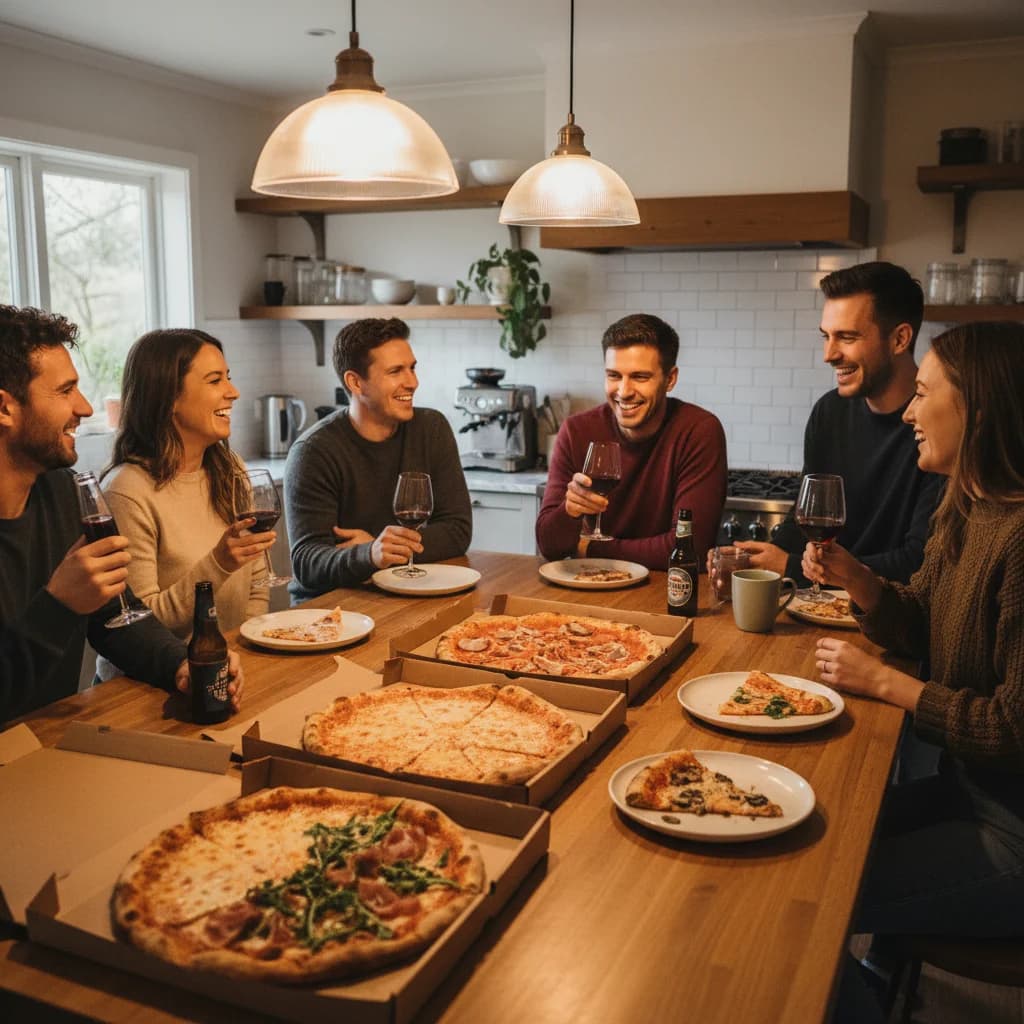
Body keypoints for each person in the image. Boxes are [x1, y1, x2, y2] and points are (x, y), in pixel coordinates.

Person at [806, 321, 1024, 949]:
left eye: (924, 394)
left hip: (1011, 829)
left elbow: (1012, 727)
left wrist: (883, 682)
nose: (908, 414)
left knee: (819, 895)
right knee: (796, 841)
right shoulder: (967, 507)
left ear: (978, 408)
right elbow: (922, 614)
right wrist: (863, 583)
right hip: (964, 793)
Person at [0, 305, 242, 724]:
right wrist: (58, 605)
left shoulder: (61, 491)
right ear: (5, 409)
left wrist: (179, 665)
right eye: (64, 391)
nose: (86, 407)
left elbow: (116, 615)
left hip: (50, 740)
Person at [734, 262, 944, 585]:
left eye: (846, 337)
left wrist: (790, 567)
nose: (828, 354)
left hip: (891, 621)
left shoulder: (940, 427)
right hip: (817, 607)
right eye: (826, 336)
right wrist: (763, 561)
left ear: (900, 339)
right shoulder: (829, 412)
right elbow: (805, 518)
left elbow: (917, 561)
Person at [97, 329, 272, 678]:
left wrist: (240, 650)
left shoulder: (229, 469)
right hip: (144, 687)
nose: (233, 392)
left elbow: (258, 582)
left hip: (225, 670)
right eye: (214, 380)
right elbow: (139, 626)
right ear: (169, 398)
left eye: (229, 377)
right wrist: (218, 564)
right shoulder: (127, 491)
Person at [285, 317, 472, 601]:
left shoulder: (432, 428)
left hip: (406, 592)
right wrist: (371, 554)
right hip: (332, 606)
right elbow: (307, 563)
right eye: (396, 371)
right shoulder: (313, 451)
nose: (412, 382)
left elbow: (457, 531)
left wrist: (375, 547)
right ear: (356, 382)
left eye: (412, 368)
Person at [536, 313, 727, 569]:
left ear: (670, 379)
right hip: (590, 585)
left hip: (667, 593)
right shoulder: (576, 430)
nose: (624, 392)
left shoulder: (698, 431)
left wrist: (589, 547)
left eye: (640, 377)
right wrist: (569, 511)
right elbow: (549, 546)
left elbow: (689, 546)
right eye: (614, 375)